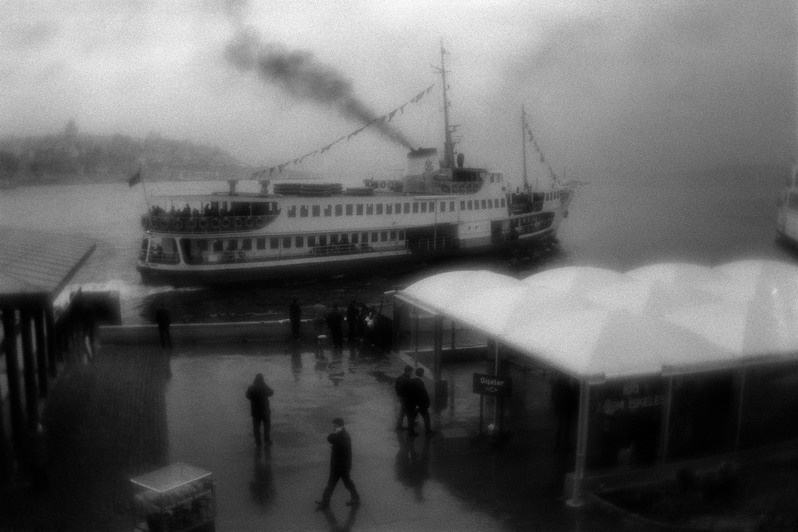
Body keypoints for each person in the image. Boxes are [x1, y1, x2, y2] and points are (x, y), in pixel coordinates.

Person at [316, 418, 360, 509]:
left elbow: (330, 438)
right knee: (334, 484)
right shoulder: (342, 434)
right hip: (339, 466)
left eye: (334, 425)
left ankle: (355, 499)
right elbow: (332, 440)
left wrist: (336, 433)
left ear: (338, 425)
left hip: (341, 466)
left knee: (344, 484)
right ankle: (325, 501)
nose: (333, 427)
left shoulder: (343, 435)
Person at [246, 373, 274, 447]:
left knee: (256, 428)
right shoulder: (264, 387)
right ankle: (267, 441)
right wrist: (264, 384)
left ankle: (258, 442)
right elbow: (271, 392)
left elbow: (247, 396)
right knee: (267, 427)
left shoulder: (251, 388)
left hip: (255, 412)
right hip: (265, 412)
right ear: (262, 380)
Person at [408, 367, 433, 436]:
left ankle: (411, 432)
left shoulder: (413, 380)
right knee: (426, 417)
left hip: (415, 404)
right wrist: (419, 404)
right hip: (421, 404)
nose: (424, 374)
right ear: (421, 373)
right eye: (423, 373)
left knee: (412, 418)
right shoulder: (419, 382)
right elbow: (421, 394)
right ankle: (428, 431)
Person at [394, 365, 414, 430]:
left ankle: (400, 425)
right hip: (405, 398)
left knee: (404, 411)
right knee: (404, 411)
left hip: (400, 397)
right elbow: (410, 390)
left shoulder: (399, 378)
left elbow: (396, 387)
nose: (412, 373)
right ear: (409, 371)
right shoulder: (407, 380)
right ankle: (399, 426)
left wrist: (398, 395)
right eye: (411, 371)